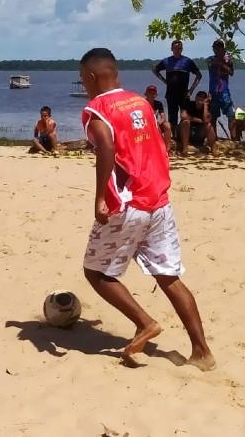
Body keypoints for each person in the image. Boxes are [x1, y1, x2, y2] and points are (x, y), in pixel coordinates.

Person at [80, 47, 215, 371]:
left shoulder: (96, 109)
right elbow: (157, 140)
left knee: (96, 272)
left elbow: (107, 149)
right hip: (159, 200)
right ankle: (201, 351)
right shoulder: (140, 102)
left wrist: (100, 196)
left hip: (128, 203)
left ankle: (145, 323)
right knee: (169, 277)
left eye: (83, 79)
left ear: (92, 77)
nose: (83, 85)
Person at [152, 40, 202, 137]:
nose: (177, 50)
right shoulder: (167, 61)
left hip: (184, 94)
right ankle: (174, 138)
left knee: (185, 117)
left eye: (179, 48)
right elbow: (155, 69)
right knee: (172, 118)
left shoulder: (187, 61)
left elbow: (199, 75)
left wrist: (191, 90)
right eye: (175, 48)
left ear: (182, 49)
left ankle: (184, 136)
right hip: (171, 94)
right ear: (171, 49)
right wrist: (164, 80)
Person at [206, 39, 236, 139]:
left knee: (231, 115)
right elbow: (211, 64)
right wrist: (221, 62)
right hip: (213, 91)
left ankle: (234, 138)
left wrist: (223, 64)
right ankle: (214, 138)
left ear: (223, 49)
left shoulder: (228, 60)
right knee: (213, 116)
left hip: (224, 91)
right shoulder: (210, 59)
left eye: (220, 48)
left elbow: (231, 73)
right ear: (213, 49)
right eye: (216, 48)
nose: (218, 50)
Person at [179, 91, 217, 156]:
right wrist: (198, 120)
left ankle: (213, 149)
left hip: (199, 133)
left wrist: (205, 106)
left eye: (201, 100)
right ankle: (184, 149)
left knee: (208, 125)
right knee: (185, 122)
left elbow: (206, 120)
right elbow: (183, 116)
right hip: (187, 132)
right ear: (195, 98)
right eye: (197, 99)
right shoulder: (189, 104)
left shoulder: (208, 107)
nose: (199, 102)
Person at [144, 84, 172, 153]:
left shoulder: (158, 104)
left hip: (156, 123)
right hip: (146, 124)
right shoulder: (143, 103)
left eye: (153, 93)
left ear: (156, 95)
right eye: (150, 93)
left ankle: (167, 149)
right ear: (146, 94)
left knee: (167, 125)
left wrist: (160, 121)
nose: (151, 95)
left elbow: (163, 116)